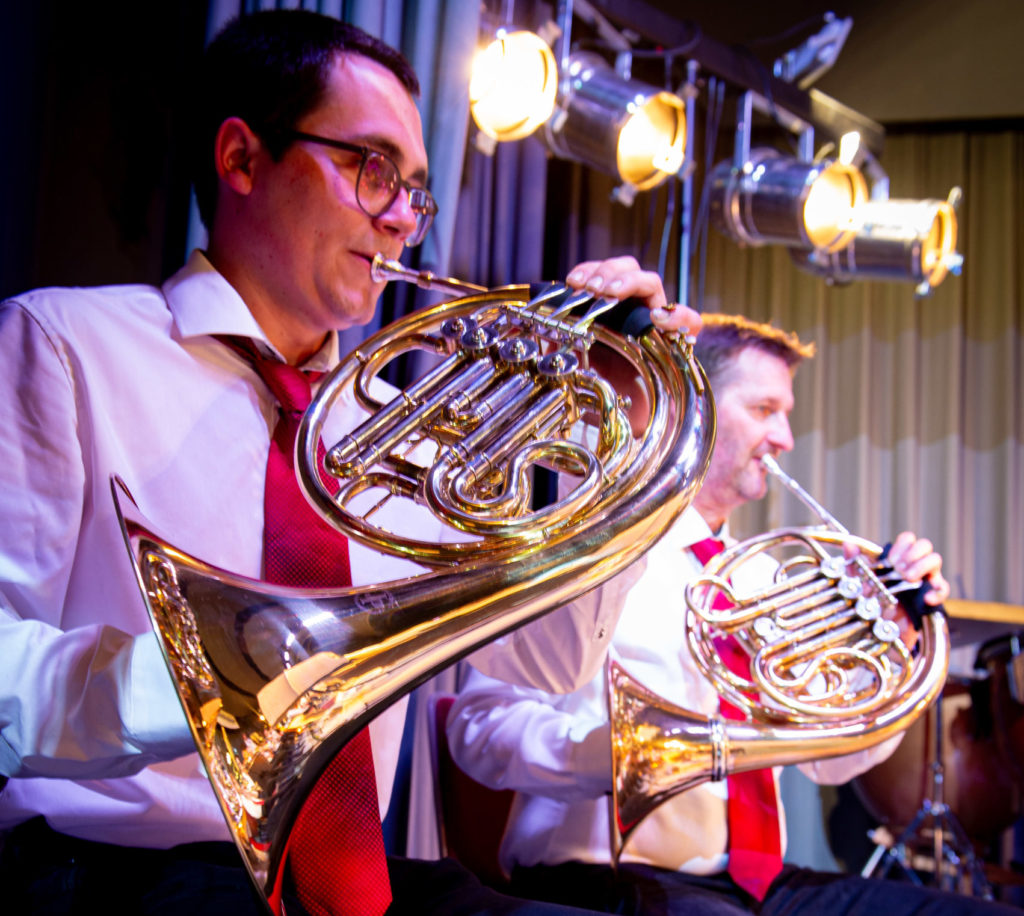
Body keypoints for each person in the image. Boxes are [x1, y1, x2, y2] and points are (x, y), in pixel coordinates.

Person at [0, 9, 702, 916]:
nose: (403, 219)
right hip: (119, 867)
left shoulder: (409, 431)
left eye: (416, 190)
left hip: (351, 883)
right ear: (243, 159)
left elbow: (554, 657)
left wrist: (630, 421)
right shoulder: (64, 344)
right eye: (372, 169)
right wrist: (214, 684)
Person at [446, 313, 1018, 916]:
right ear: (699, 408)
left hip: (757, 884)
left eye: (787, 413)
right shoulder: (587, 552)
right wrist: (613, 757)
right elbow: (478, 728)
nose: (786, 438)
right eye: (766, 409)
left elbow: (832, 761)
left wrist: (892, 645)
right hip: (603, 875)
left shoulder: (764, 574)